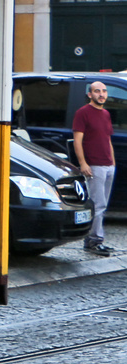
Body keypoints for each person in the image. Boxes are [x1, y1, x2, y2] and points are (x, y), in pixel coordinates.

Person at [72, 79, 116, 256]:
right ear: (90, 94)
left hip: (108, 166)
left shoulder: (105, 114)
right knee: (98, 205)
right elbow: (77, 140)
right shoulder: (83, 113)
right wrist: (83, 163)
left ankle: (94, 239)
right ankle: (94, 241)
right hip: (94, 166)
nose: (102, 94)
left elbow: (108, 139)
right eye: (97, 91)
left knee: (102, 205)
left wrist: (112, 162)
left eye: (104, 91)